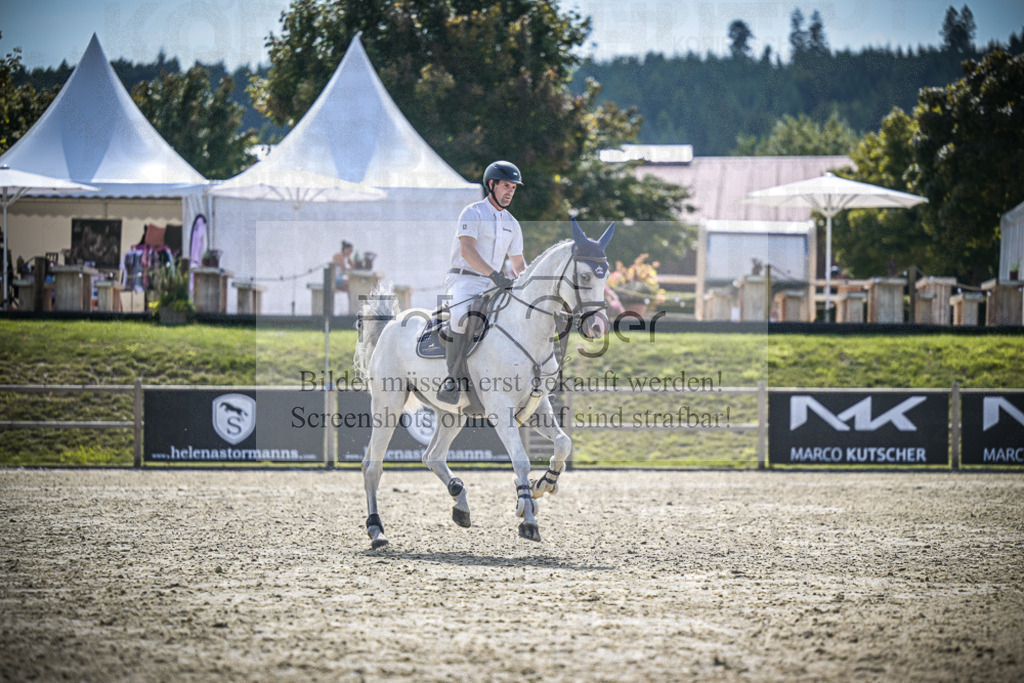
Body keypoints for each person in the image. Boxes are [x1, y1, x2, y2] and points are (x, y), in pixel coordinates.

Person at [436, 160, 527, 405]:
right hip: (464, 279)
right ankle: (452, 379)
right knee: (460, 316)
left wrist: (528, 286)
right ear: (492, 184)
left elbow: (518, 264)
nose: (510, 191)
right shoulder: (472, 212)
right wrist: (493, 274)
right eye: (506, 186)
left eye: (513, 188)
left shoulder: (512, 224)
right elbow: (467, 251)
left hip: (492, 284)